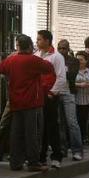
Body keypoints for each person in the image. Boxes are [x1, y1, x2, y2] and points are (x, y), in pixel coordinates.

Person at [0, 35, 55, 171]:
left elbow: (0, 68)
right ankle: (33, 162)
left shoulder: (11, 60)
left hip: (15, 102)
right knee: (33, 134)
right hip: (32, 103)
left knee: (16, 133)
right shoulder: (34, 60)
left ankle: (15, 162)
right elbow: (49, 68)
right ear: (30, 46)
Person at [36, 30, 68, 169]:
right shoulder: (36, 55)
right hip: (38, 96)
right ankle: (41, 156)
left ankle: (57, 156)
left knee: (52, 126)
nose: (37, 42)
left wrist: (52, 93)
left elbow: (61, 77)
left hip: (50, 96)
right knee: (40, 127)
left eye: (40, 39)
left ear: (47, 41)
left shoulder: (56, 57)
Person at [57, 39, 84, 161]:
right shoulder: (55, 59)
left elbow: (71, 75)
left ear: (68, 49)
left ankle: (77, 150)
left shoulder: (73, 61)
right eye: (60, 48)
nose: (62, 50)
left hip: (69, 93)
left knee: (72, 122)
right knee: (60, 123)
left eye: (64, 48)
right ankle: (63, 148)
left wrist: (60, 72)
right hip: (57, 92)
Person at [74, 51, 89, 151]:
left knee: (83, 121)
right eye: (78, 59)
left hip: (87, 100)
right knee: (75, 121)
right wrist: (80, 85)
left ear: (86, 61)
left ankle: (82, 140)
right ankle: (74, 142)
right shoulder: (74, 70)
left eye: (81, 59)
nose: (79, 61)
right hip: (76, 100)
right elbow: (70, 83)